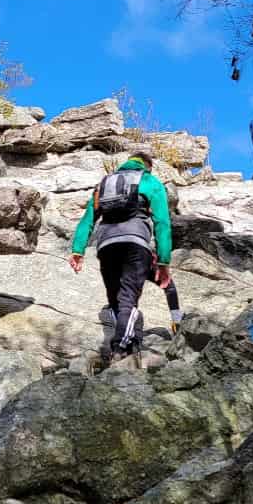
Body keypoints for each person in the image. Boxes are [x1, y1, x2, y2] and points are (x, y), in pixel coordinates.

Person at [69, 149, 177, 362]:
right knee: (128, 298)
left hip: (106, 245)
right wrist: (164, 260)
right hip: (136, 245)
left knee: (115, 298)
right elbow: (162, 223)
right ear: (147, 166)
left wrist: (77, 250)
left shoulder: (105, 184)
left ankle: (130, 343)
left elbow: (88, 219)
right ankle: (119, 348)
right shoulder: (150, 181)